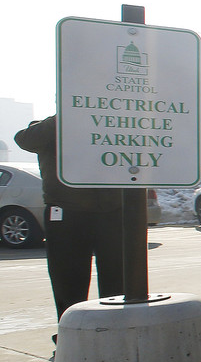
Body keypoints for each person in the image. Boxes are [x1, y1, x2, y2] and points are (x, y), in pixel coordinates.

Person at [14, 116, 125, 328]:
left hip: (111, 212)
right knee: (68, 284)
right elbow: (24, 140)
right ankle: (71, 334)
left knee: (117, 282)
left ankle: (115, 330)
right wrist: (66, 114)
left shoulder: (108, 120)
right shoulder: (49, 126)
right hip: (66, 214)